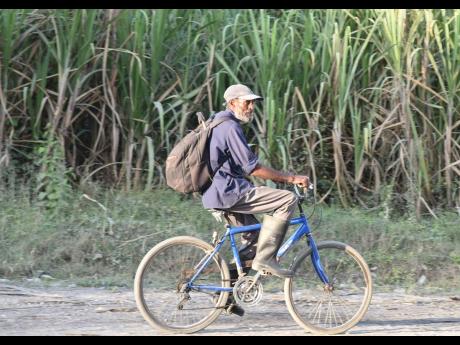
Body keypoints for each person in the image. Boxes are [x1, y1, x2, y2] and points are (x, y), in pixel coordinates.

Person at [202, 84, 309, 315]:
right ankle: (267, 259)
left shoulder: (220, 123)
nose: (251, 107)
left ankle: (224, 293)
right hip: (230, 192)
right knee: (287, 199)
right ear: (232, 103)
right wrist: (291, 178)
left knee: (255, 242)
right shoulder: (229, 127)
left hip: (221, 193)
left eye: (253, 103)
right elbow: (253, 168)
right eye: (246, 102)